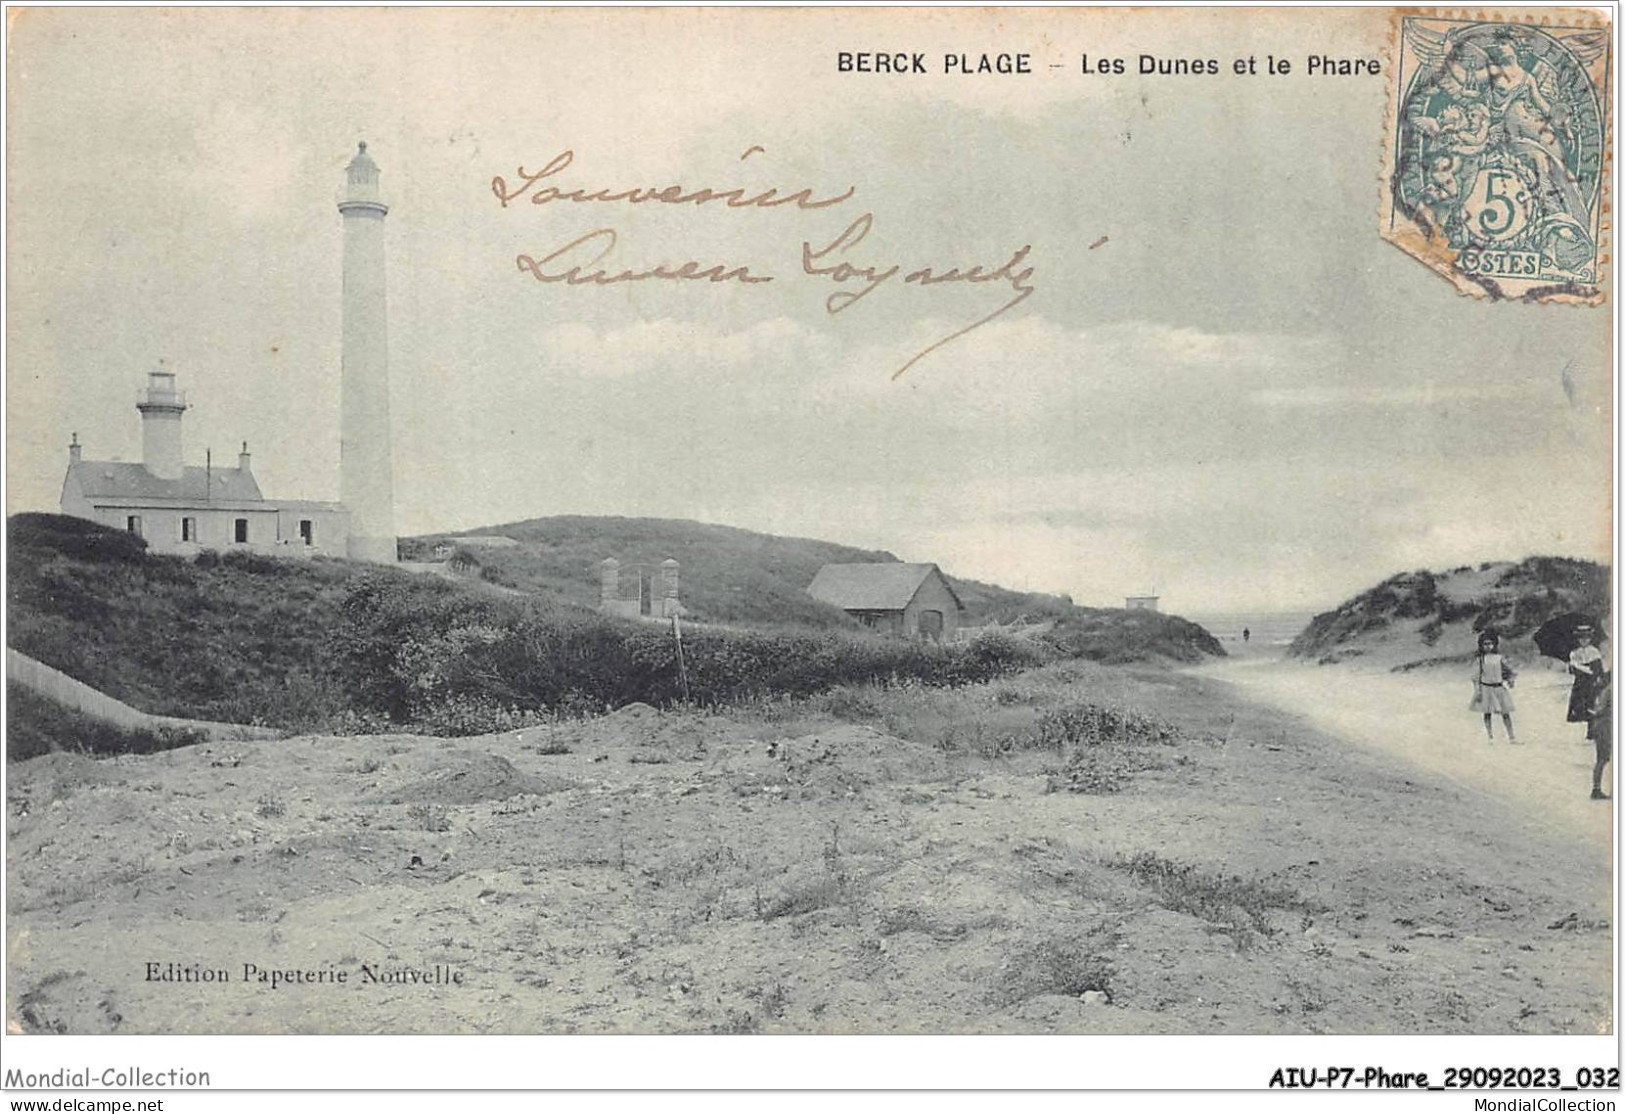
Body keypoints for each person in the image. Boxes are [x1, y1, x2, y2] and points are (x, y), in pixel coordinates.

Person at [1469, 630, 1517, 742]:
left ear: (1494, 644)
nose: (1488, 646)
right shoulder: (1480, 660)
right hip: (1486, 688)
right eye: (1485, 644)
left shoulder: (1499, 658)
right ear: (1481, 645)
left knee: (1505, 713)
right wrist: (1478, 691)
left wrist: (1510, 679)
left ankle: (1511, 736)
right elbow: (1477, 677)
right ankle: (1490, 736)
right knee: (1487, 713)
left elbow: (1508, 671)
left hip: (1499, 688)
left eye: (1490, 644)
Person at [1566, 625, 1608, 731]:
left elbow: (1598, 670)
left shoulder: (1594, 652)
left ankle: (1591, 730)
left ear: (1590, 639)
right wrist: (1573, 666)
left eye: (1586, 638)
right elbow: (1572, 672)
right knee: (1580, 704)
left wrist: (1594, 675)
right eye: (1581, 638)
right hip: (1580, 683)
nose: (1584, 641)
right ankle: (1582, 720)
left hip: (1591, 682)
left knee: (1592, 704)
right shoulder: (1575, 653)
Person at [1587, 671, 1611, 800]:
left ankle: (1596, 789)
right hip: (1607, 728)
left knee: (1602, 759)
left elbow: (1597, 711)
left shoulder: (1603, 691)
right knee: (1604, 759)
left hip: (1600, 727)